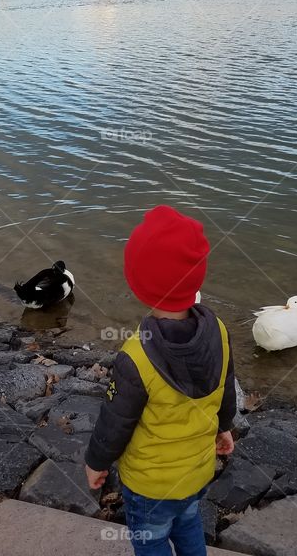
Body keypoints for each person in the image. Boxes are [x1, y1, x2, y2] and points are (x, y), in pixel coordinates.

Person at [85, 205, 236, 556]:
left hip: (150, 485)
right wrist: (224, 426)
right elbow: (225, 386)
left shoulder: (136, 355)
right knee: (187, 523)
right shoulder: (220, 333)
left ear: (138, 284)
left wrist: (96, 462)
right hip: (197, 471)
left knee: (151, 539)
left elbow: (116, 421)